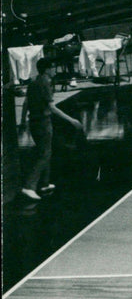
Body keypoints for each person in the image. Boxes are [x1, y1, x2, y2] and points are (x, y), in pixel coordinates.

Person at [17, 58, 83, 201]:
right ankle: (29, 186)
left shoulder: (34, 82)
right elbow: (51, 108)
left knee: (46, 151)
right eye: (52, 67)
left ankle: (45, 184)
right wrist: (72, 121)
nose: (54, 70)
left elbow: (26, 103)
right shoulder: (45, 83)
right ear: (47, 69)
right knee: (44, 154)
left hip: (34, 122)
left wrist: (23, 122)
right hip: (43, 123)